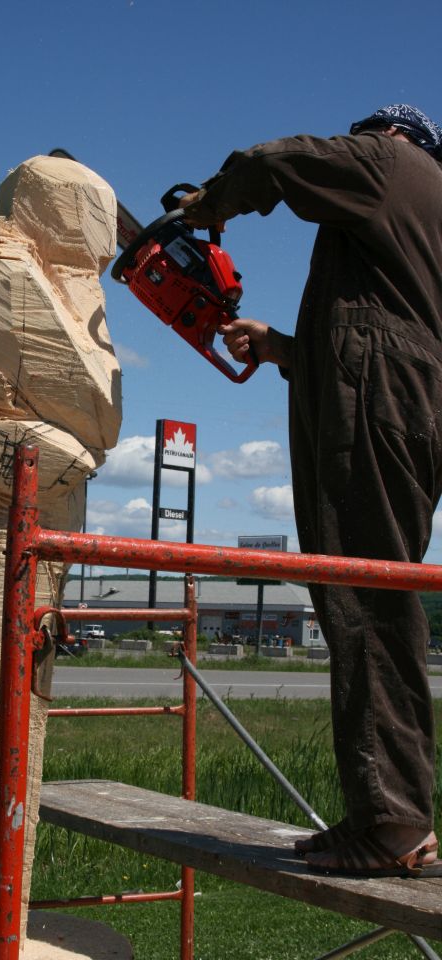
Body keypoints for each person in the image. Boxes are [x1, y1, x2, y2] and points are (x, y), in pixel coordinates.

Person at [180, 105, 442, 878]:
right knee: (369, 593)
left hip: (378, 402)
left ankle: (392, 822)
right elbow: (396, 333)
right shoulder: (416, 218)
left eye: (366, 135)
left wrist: (209, 205)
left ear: (391, 136)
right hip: (402, 401)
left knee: (363, 596)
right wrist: (283, 349)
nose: (357, 147)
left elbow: (279, 158)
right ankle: (381, 813)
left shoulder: (393, 164)